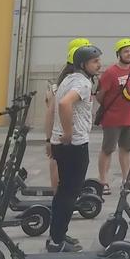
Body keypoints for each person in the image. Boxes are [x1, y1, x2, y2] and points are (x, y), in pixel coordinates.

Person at [48, 44, 103, 252]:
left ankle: (57, 235)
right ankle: (57, 241)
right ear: (83, 64)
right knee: (69, 194)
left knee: (63, 192)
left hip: (60, 143)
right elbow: (63, 104)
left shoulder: (69, 78)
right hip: (74, 144)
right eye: (95, 61)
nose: (99, 65)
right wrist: (69, 132)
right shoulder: (82, 84)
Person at [96, 38, 130, 195]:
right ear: (119, 54)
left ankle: (126, 180)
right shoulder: (110, 73)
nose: (129, 54)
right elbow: (100, 96)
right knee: (107, 149)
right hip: (112, 119)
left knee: (126, 149)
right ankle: (103, 181)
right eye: (125, 51)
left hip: (129, 117)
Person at [45, 37, 90, 190]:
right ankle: (60, 198)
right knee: (61, 168)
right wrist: (50, 139)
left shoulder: (66, 79)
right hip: (66, 138)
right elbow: (52, 113)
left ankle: (60, 198)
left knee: (58, 165)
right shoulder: (72, 82)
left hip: (62, 137)